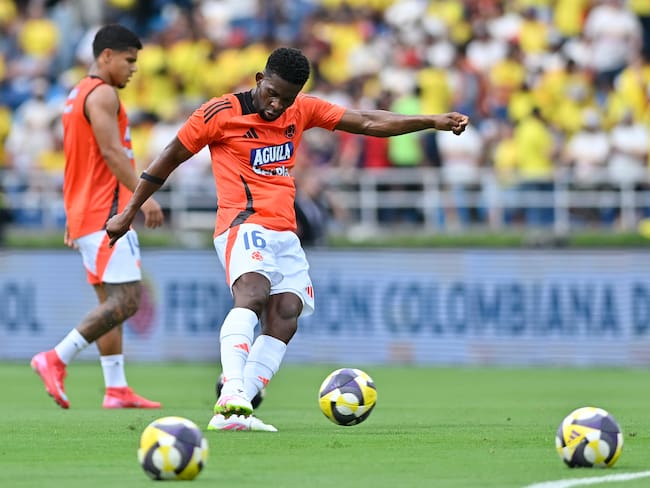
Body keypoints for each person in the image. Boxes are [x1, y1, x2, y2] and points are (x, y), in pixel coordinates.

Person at [105, 47, 468, 430]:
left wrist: (431, 120)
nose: (278, 105)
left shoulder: (302, 109)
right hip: (242, 223)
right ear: (260, 80)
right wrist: (130, 211)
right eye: (272, 94)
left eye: (288, 98)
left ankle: (238, 408)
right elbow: (170, 156)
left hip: (285, 231)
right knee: (253, 293)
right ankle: (231, 390)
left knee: (286, 316)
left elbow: (366, 121)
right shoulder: (219, 113)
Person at [31, 24, 164, 410]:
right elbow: (110, 152)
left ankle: (116, 387)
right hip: (106, 211)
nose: (133, 69)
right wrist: (144, 198)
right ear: (106, 56)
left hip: (85, 210)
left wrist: (76, 218)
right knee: (127, 300)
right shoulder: (103, 93)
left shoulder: (77, 94)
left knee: (110, 301)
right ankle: (56, 357)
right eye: (129, 60)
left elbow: (80, 160)